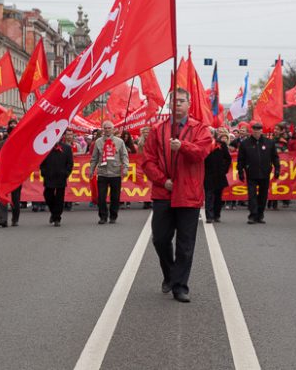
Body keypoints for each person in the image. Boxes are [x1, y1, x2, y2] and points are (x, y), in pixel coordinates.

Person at [143, 88, 213, 303]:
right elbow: (147, 161)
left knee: (185, 244)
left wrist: (182, 146)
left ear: (189, 104)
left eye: (182, 101)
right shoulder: (158, 129)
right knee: (160, 239)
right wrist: (163, 181)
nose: (178, 105)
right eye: (174, 101)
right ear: (169, 105)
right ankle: (170, 274)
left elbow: (201, 153)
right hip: (164, 192)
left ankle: (180, 286)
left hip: (188, 194)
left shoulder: (200, 129)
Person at [237, 122, 280, 224]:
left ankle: (260, 215)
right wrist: (240, 171)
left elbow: (275, 157)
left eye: (259, 130)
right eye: (255, 130)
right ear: (252, 131)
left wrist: (277, 169)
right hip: (251, 172)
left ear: (261, 131)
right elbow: (241, 159)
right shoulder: (245, 143)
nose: (257, 132)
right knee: (252, 195)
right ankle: (252, 215)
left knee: (263, 195)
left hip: (265, 173)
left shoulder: (269, 143)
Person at [89, 120, 129, 225]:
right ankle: (103, 216)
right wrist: (91, 170)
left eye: (109, 128)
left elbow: (124, 156)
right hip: (102, 173)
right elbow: (94, 158)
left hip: (115, 173)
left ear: (113, 129)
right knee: (101, 197)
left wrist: (125, 168)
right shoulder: (98, 142)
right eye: (105, 128)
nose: (107, 130)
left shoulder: (119, 142)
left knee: (115, 197)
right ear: (103, 129)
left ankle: (113, 216)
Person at [40, 129, 74, 227]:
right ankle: (54, 212)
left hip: (61, 177)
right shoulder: (46, 148)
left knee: (60, 198)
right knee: (47, 195)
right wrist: (44, 172)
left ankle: (57, 218)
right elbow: (41, 162)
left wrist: (66, 173)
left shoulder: (66, 148)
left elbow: (70, 163)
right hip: (49, 176)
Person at [204, 127, 232, 224]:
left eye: (212, 133)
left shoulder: (221, 144)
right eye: (208, 133)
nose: (210, 134)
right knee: (208, 195)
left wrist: (224, 170)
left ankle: (217, 215)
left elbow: (228, 159)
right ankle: (209, 216)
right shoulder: (203, 144)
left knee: (218, 196)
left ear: (214, 134)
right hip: (207, 174)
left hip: (219, 174)